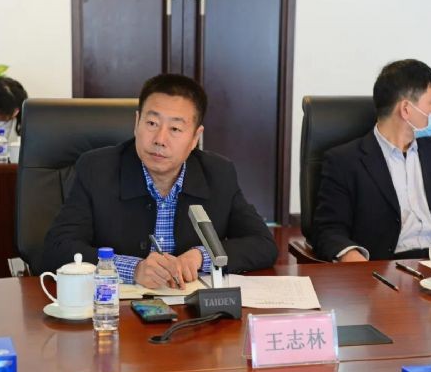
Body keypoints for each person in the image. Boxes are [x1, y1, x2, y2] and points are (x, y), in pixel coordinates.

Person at [43, 73, 278, 288]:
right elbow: (57, 248)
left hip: (192, 312)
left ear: (195, 137)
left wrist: (200, 256)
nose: (160, 139)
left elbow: (263, 244)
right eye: (152, 124)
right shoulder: (97, 169)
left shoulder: (218, 173)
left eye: (175, 128)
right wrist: (133, 269)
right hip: (115, 310)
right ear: (137, 122)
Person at [312, 59, 431, 262]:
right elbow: (328, 230)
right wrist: (353, 259)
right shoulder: (345, 162)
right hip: (388, 268)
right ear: (406, 109)